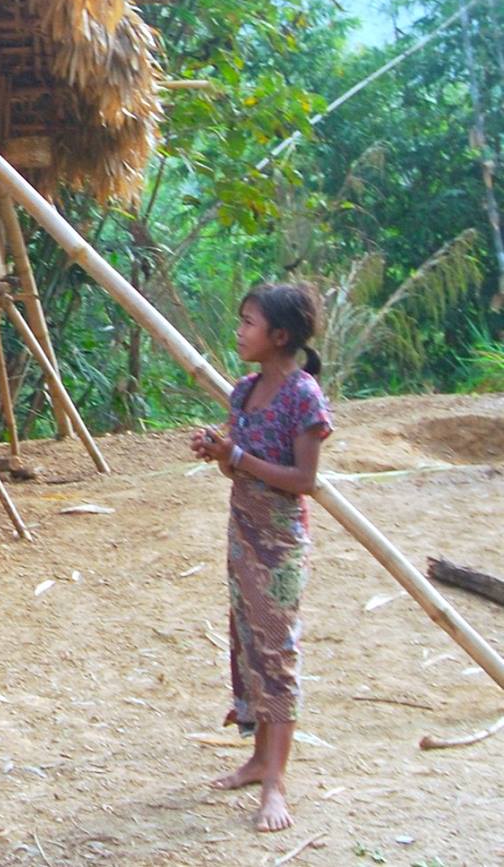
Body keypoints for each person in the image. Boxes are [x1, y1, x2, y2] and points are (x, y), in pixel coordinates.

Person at [190, 282, 333, 834]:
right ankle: (256, 760)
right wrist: (220, 454)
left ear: (280, 336)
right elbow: (238, 466)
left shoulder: (304, 397)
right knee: (247, 644)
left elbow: (303, 480)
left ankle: (276, 782)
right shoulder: (244, 391)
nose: (239, 331)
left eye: (248, 323)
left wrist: (240, 456)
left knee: (277, 654)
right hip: (242, 534)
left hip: (279, 546)